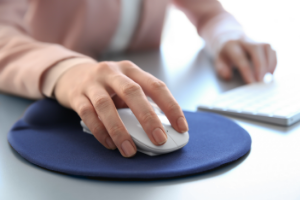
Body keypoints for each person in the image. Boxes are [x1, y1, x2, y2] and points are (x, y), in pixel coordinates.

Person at [0, 0, 277, 157]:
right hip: (40, 98)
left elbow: (210, 13)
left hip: (139, 95)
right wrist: (66, 69)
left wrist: (229, 37)